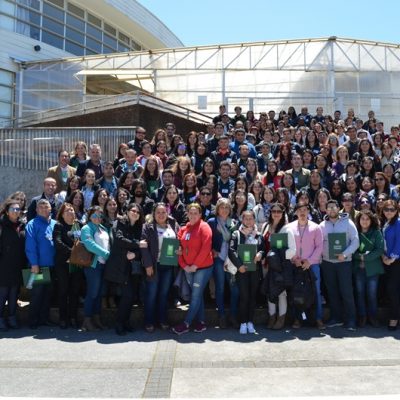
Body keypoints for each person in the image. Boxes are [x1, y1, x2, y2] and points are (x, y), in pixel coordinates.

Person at [104, 203, 146, 336]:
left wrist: (136, 253)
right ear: (127, 211)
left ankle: (126, 322)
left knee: (131, 296)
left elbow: (144, 248)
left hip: (133, 267)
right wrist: (136, 244)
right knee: (127, 296)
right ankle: (119, 323)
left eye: (138, 212)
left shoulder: (140, 228)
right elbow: (119, 240)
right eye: (132, 210)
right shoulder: (119, 223)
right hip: (120, 266)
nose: (135, 213)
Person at [172, 203, 213, 335]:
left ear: (200, 215)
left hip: (202, 268)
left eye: (196, 213)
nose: (193, 215)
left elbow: (206, 247)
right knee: (198, 294)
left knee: (195, 295)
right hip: (188, 268)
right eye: (191, 213)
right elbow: (178, 250)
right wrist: (184, 266)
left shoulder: (204, 227)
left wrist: (195, 265)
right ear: (187, 214)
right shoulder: (183, 229)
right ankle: (201, 322)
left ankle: (186, 323)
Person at [320, 199, 359, 331]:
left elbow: (356, 241)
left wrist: (345, 254)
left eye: (334, 207)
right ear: (326, 210)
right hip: (328, 263)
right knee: (332, 292)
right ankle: (336, 318)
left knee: (346, 291)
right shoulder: (322, 225)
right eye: (329, 207)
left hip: (344, 263)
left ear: (339, 208)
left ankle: (351, 320)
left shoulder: (348, 222)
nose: (331, 209)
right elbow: (319, 244)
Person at [141, 203, 179, 332]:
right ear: (154, 214)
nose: (161, 215)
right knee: (151, 294)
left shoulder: (173, 225)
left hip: (168, 265)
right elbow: (144, 247)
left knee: (163, 294)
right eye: (158, 212)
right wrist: (148, 265)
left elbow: (179, 241)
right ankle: (149, 322)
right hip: (154, 265)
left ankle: (162, 320)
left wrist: (179, 250)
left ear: (167, 213)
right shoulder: (148, 227)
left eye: (164, 212)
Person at [287, 202, 324, 329]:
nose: (302, 212)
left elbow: (320, 246)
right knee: (296, 292)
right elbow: (287, 246)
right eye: (300, 210)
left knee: (316, 292)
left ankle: (318, 318)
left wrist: (310, 261)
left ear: (308, 212)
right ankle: (297, 319)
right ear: (296, 212)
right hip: (295, 264)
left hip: (312, 265)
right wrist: (294, 259)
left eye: (305, 210)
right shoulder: (289, 227)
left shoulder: (316, 227)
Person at [229, 210, 265, 334]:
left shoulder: (258, 235)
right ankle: (243, 322)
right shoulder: (236, 234)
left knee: (252, 296)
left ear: (254, 220)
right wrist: (239, 266)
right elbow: (231, 250)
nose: (248, 221)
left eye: (251, 219)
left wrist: (261, 254)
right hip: (242, 270)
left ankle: (250, 321)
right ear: (242, 220)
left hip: (255, 270)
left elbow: (262, 249)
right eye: (246, 219)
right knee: (244, 296)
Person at [263, 203, 296, 330]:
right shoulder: (267, 226)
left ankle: (281, 318)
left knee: (281, 292)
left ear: (283, 214)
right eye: (274, 211)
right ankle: (272, 317)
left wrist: (278, 258)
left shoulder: (287, 229)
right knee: (269, 291)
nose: (276, 214)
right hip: (267, 265)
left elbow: (293, 250)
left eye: (279, 211)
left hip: (281, 266)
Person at [25, 199, 57, 329]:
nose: (44, 209)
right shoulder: (32, 224)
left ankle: (44, 319)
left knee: (47, 294)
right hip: (37, 266)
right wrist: (34, 264)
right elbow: (30, 246)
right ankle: (33, 321)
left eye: (46, 206)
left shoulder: (55, 223)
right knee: (36, 294)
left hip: (52, 265)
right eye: (41, 207)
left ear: (51, 209)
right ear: (37, 210)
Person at [208, 199, 239, 328]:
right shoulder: (212, 222)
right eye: (222, 207)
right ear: (218, 209)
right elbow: (207, 238)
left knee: (234, 289)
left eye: (227, 207)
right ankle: (221, 317)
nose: (224, 209)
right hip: (218, 259)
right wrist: (211, 250)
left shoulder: (235, 222)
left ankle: (233, 316)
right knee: (220, 288)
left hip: (231, 259)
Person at [53, 203, 83, 329]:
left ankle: (73, 317)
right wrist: (72, 252)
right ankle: (63, 318)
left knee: (74, 291)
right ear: (62, 213)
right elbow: (57, 241)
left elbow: (82, 241)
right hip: (63, 263)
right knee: (63, 291)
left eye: (71, 210)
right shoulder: (58, 226)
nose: (70, 212)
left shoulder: (78, 225)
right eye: (67, 211)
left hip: (76, 263)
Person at [80, 206, 110, 331]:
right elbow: (89, 245)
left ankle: (96, 319)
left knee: (99, 294)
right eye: (94, 216)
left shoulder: (103, 228)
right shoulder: (86, 228)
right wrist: (106, 254)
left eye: (99, 216)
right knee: (92, 293)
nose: (97, 218)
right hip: (94, 265)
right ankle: (87, 320)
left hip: (103, 265)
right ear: (89, 216)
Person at [352, 210, 384, 328]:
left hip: (373, 270)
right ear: (358, 220)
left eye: (367, 219)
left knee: (372, 294)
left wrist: (365, 257)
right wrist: (358, 256)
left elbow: (380, 249)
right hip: (358, 270)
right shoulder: (355, 233)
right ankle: (362, 316)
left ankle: (373, 317)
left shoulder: (376, 232)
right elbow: (351, 250)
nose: (364, 221)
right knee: (359, 294)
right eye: (362, 219)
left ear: (371, 221)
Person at [0, 199, 26, 331]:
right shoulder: (1, 225)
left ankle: (11, 317)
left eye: (18, 209)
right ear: (6, 211)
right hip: (3, 265)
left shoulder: (21, 225)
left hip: (17, 265)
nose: (16, 211)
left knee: (14, 293)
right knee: (3, 293)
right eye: (13, 209)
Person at [381, 200, 400, 330]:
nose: (389, 212)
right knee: (390, 290)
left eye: (392, 209)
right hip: (386, 261)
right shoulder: (384, 223)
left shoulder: (398, 223)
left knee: (393, 290)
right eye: (386, 209)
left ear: (396, 210)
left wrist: (391, 258)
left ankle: (394, 318)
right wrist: (383, 257)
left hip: (396, 261)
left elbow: (399, 242)